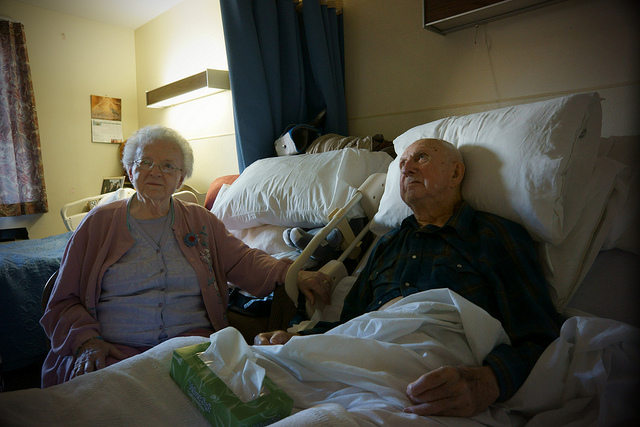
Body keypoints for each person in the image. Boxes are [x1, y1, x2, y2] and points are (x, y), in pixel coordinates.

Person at [256, 138, 564, 418]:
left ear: (456, 174)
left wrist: (489, 381)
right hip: (366, 354)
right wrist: (295, 338)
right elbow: (352, 327)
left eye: (422, 158)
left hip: (433, 363)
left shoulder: (494, 235)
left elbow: (539, 334)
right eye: (402, 165)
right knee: (246, 367)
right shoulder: (387, 243)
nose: (407, 169)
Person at [40, 125, 331, 387]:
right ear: (130, 171)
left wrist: (292, 273)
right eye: (145, 162)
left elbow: (244, 261)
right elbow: (63, 300)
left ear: (180, 179)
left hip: (193, 349)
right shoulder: (98, 223)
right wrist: (88, 341)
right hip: (116, 352)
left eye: (168, 166)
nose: (156, 172)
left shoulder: (201, 221)